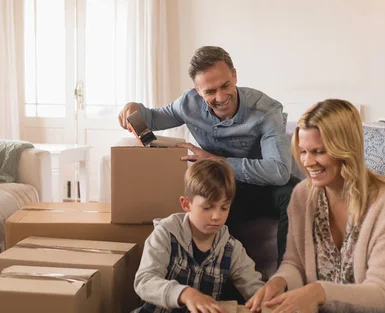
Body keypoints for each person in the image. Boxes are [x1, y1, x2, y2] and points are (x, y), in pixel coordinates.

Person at [245, 99, 385, 313]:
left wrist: (317, 292)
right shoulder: (303, 195)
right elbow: (294, 263)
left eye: (319, 151)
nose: (308, 162)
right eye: (303, 151)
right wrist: (279, 281)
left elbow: (384, 295)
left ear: (346, 148)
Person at [118, 46, 299, 272]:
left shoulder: (265, 109)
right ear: (198, 90)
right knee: (205, 197)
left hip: (260, 188)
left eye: (225, 86)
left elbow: (279, 171)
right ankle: (216, 281)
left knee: (294, 192)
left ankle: (285, 279)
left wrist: (216, 160)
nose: (221, 98)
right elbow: (153, 118)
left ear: (234, 75)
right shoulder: (188, 104)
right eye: (210, 92)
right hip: (219, 190)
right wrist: (134, 109)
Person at [128, 159, 264, 313]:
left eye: (224, 208)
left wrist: (268, 301)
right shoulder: (165, 234)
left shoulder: (231, 247)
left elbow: (253, 285)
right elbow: (144, 281)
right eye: (207, 208)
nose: (216, 216)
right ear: (186, 204)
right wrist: (185, 294)